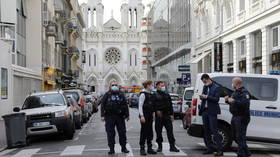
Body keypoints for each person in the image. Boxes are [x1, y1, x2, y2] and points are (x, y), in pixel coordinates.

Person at [101, 81, 130, 155]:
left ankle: (124, 148)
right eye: (113, 85)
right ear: (110, 86)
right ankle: (111, 149)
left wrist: (127, 115)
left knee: (122, 132)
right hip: (109, 116)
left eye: (116, 85)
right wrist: (102, 115)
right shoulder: (107, 95)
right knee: (110, 133)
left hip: (120, 117)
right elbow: (102, 105)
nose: (114, 86)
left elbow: (125, 105)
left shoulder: (121, 94)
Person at [225, 77, 251, 157]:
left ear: (237, 84)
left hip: (242, 117)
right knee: (234, 136)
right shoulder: (235, 92)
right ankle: (246, 152)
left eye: (232, 83)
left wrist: (234, 101)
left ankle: (241, 154)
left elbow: (245, 105)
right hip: (235, 116)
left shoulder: (244, 93)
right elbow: (234, 104)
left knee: (240, 136)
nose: (231, 84)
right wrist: (227, 100)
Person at [199, 74, 223, 156]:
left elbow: (216, 99)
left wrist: (206, 97)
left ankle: (220, 150)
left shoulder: (216, 87)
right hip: (205, 111)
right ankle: (209, 148)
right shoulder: (205, 87)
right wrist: (202, 97)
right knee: (206, 130)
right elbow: (204, 97)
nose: (204, 83)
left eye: (204, 81)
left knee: (214, 130)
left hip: (212, 111)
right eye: (203, 82)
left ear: (208, 79)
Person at [154, 81, 179, 153]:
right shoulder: (155, 95)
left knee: (170, 131)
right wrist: (156, 111)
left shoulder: (167, 94)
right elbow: (153, 105)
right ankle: (159, 146)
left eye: (163, 85)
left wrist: (172, 115)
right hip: (159, 116)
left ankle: (172, 146)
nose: (163, 87)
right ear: (157, 86)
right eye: (161, 85)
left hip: (167, 115)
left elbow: (170, 105)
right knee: (158, 132)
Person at [138, 80, 157, 156]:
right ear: (148, 85)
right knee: (144, 132)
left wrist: (153, 114)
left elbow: (152, 106)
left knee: (150, 132)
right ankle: (142, 148)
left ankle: (149, 148)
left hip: (150, 116)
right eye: (151, 85)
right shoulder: (143, 94)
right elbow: (140, 106)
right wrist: (141, 116)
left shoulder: (151, 94)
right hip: (144, 116)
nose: (152, 86)